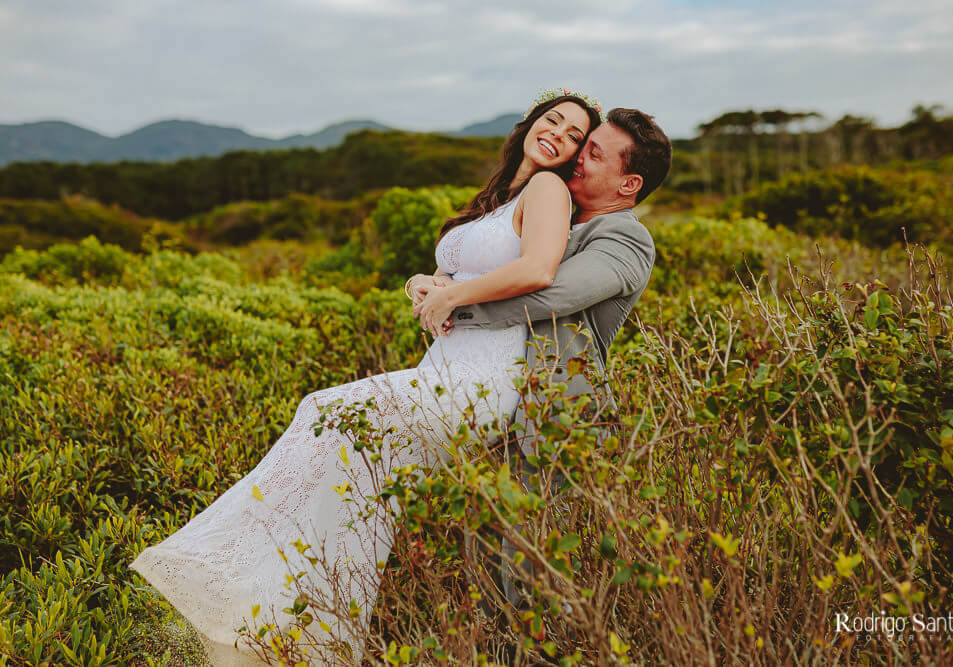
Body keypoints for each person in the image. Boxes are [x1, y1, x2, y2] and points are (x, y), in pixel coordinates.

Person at [127, 93, 601, 665]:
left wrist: (452, 294)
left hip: (485, 377)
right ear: (531, 122)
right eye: (553, 119)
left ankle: (267, 595)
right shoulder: (500, 195)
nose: (558, 133)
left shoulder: (547, 190)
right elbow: (459, 268)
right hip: (444, 366)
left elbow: (537, 269)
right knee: (355, 484)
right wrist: (425, 284)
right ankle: (289, 623)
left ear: (575, 154)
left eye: (574, 134)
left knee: (325, 409)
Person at [409, 107, 672, 624]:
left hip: (552, 422)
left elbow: (551, 294)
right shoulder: (558, 214)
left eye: (593, 153)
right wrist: (436, 282)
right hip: (495, 397)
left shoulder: (625, 238)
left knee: (525, 573)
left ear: (629, 184)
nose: (577, 157)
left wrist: (453, 301)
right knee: (480, 559)